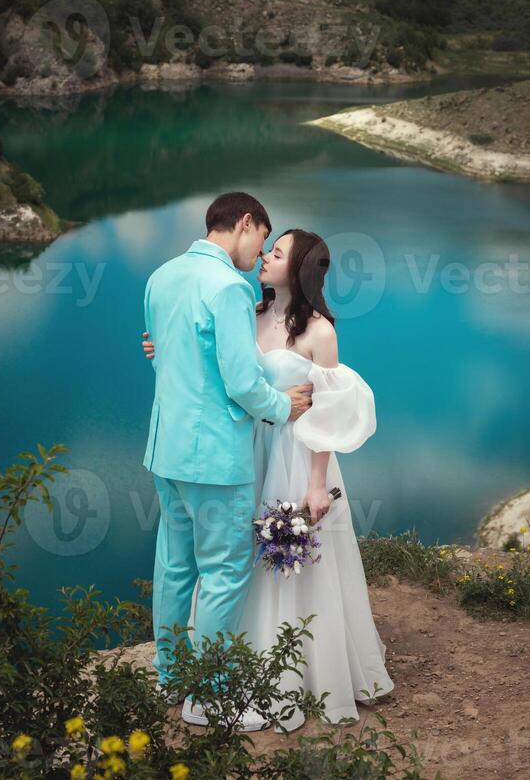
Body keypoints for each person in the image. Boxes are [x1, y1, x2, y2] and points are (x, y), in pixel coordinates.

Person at [144, 223, 395, 731]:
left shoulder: (320, 330)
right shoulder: (248, 309)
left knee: (288, 562)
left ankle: (296, 674)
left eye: (276, 252)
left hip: (294, 454)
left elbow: (325, 413)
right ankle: (228, 663)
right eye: (267, 245)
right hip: (243, 447)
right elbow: (219, 371)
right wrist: (163, 349)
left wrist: (317, 482)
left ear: (298, 268)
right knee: (233, 558)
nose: (264, 256)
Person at [142, 191, 313, 733]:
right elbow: (240, 382)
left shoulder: (161, 277)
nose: (260, 251)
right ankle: (208, 696)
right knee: (223, 573)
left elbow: (168, 362)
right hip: (214, 458)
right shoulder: (229, 289)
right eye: (263, 236)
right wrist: (283, 407)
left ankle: (170, 677)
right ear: (245, 222)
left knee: (174, 567)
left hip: (164, 450)